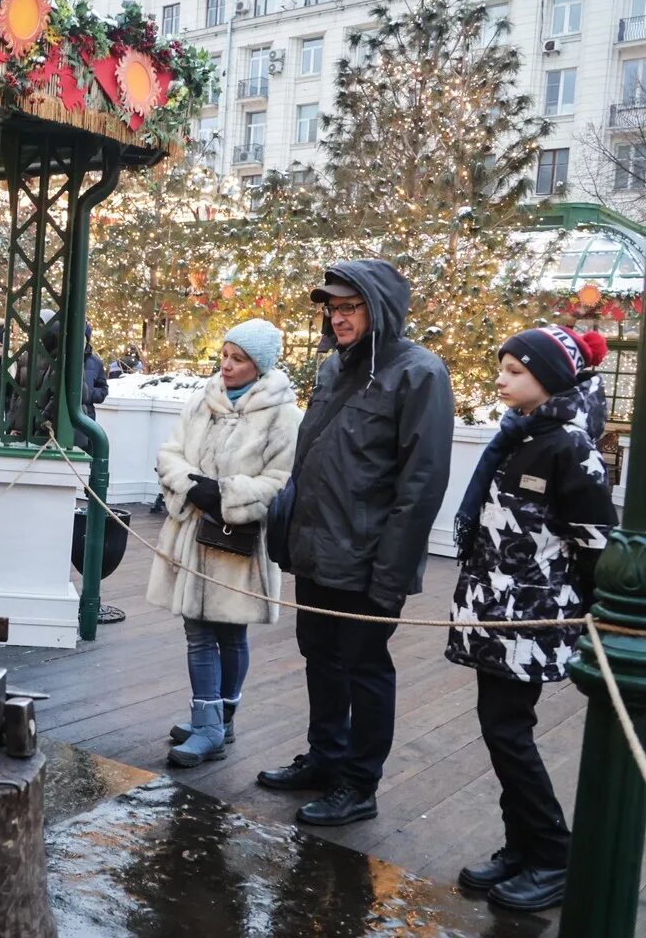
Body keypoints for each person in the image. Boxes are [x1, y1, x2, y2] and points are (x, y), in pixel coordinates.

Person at [257, 259, 453, 828]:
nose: (338, 318)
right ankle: (325, 758)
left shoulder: (420, 374)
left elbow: (422, 483)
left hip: (370, 561)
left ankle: (358, 784)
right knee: (320, 657)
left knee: (365, 668)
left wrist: (390, 575)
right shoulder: (332, 370)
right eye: (332, 308)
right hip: (318, 551)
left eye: (350, 307)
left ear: (379, 309)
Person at [448, 325, 615, 912]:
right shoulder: (519, 435)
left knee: (507, 730)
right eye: (503, 367)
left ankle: (551, 853)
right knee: (502, 728)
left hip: (532, 620)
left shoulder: (568, 446)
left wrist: (588, 620)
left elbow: (596, 543)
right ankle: (522, 846)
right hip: (497, 612)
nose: (501, 377)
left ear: (550, 377)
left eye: (515, 370)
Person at [148, 319, 302, 767]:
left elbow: (282, 480)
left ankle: (220, 721)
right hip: (193, 532)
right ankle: (209, 722)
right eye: (225, 355)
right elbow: (170, 452)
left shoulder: (284, 416)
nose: (227, 366)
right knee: (196, 631)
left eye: (239, 359)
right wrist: (191, 486)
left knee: (231, 632)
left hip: (239, 541)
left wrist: (229, 494)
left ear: (260, 365)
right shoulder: (201, 401)